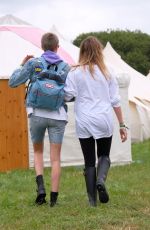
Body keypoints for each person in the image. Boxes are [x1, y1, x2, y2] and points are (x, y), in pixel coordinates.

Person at [64, 36, 128, 207]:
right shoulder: (108, 72)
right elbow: (115, 100)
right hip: (103, 119)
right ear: (99, 51)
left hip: (84, 120)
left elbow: (67, 95)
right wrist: (122, 124)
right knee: (104, 155)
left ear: (82, 52)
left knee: (89, 160)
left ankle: (92, 201)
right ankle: (101, 179)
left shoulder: (75, 72)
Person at [9, 33, 70, 207]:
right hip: (58, 116)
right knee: (55, 159)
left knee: (37, 152)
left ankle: (41, 189)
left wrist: (22, 64)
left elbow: (13, 82)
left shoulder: (33, 63)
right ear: (57, 46)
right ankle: (54, 199)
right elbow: (69, 94)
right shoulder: (66, 67)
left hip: (36, 114)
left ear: (42, 46)